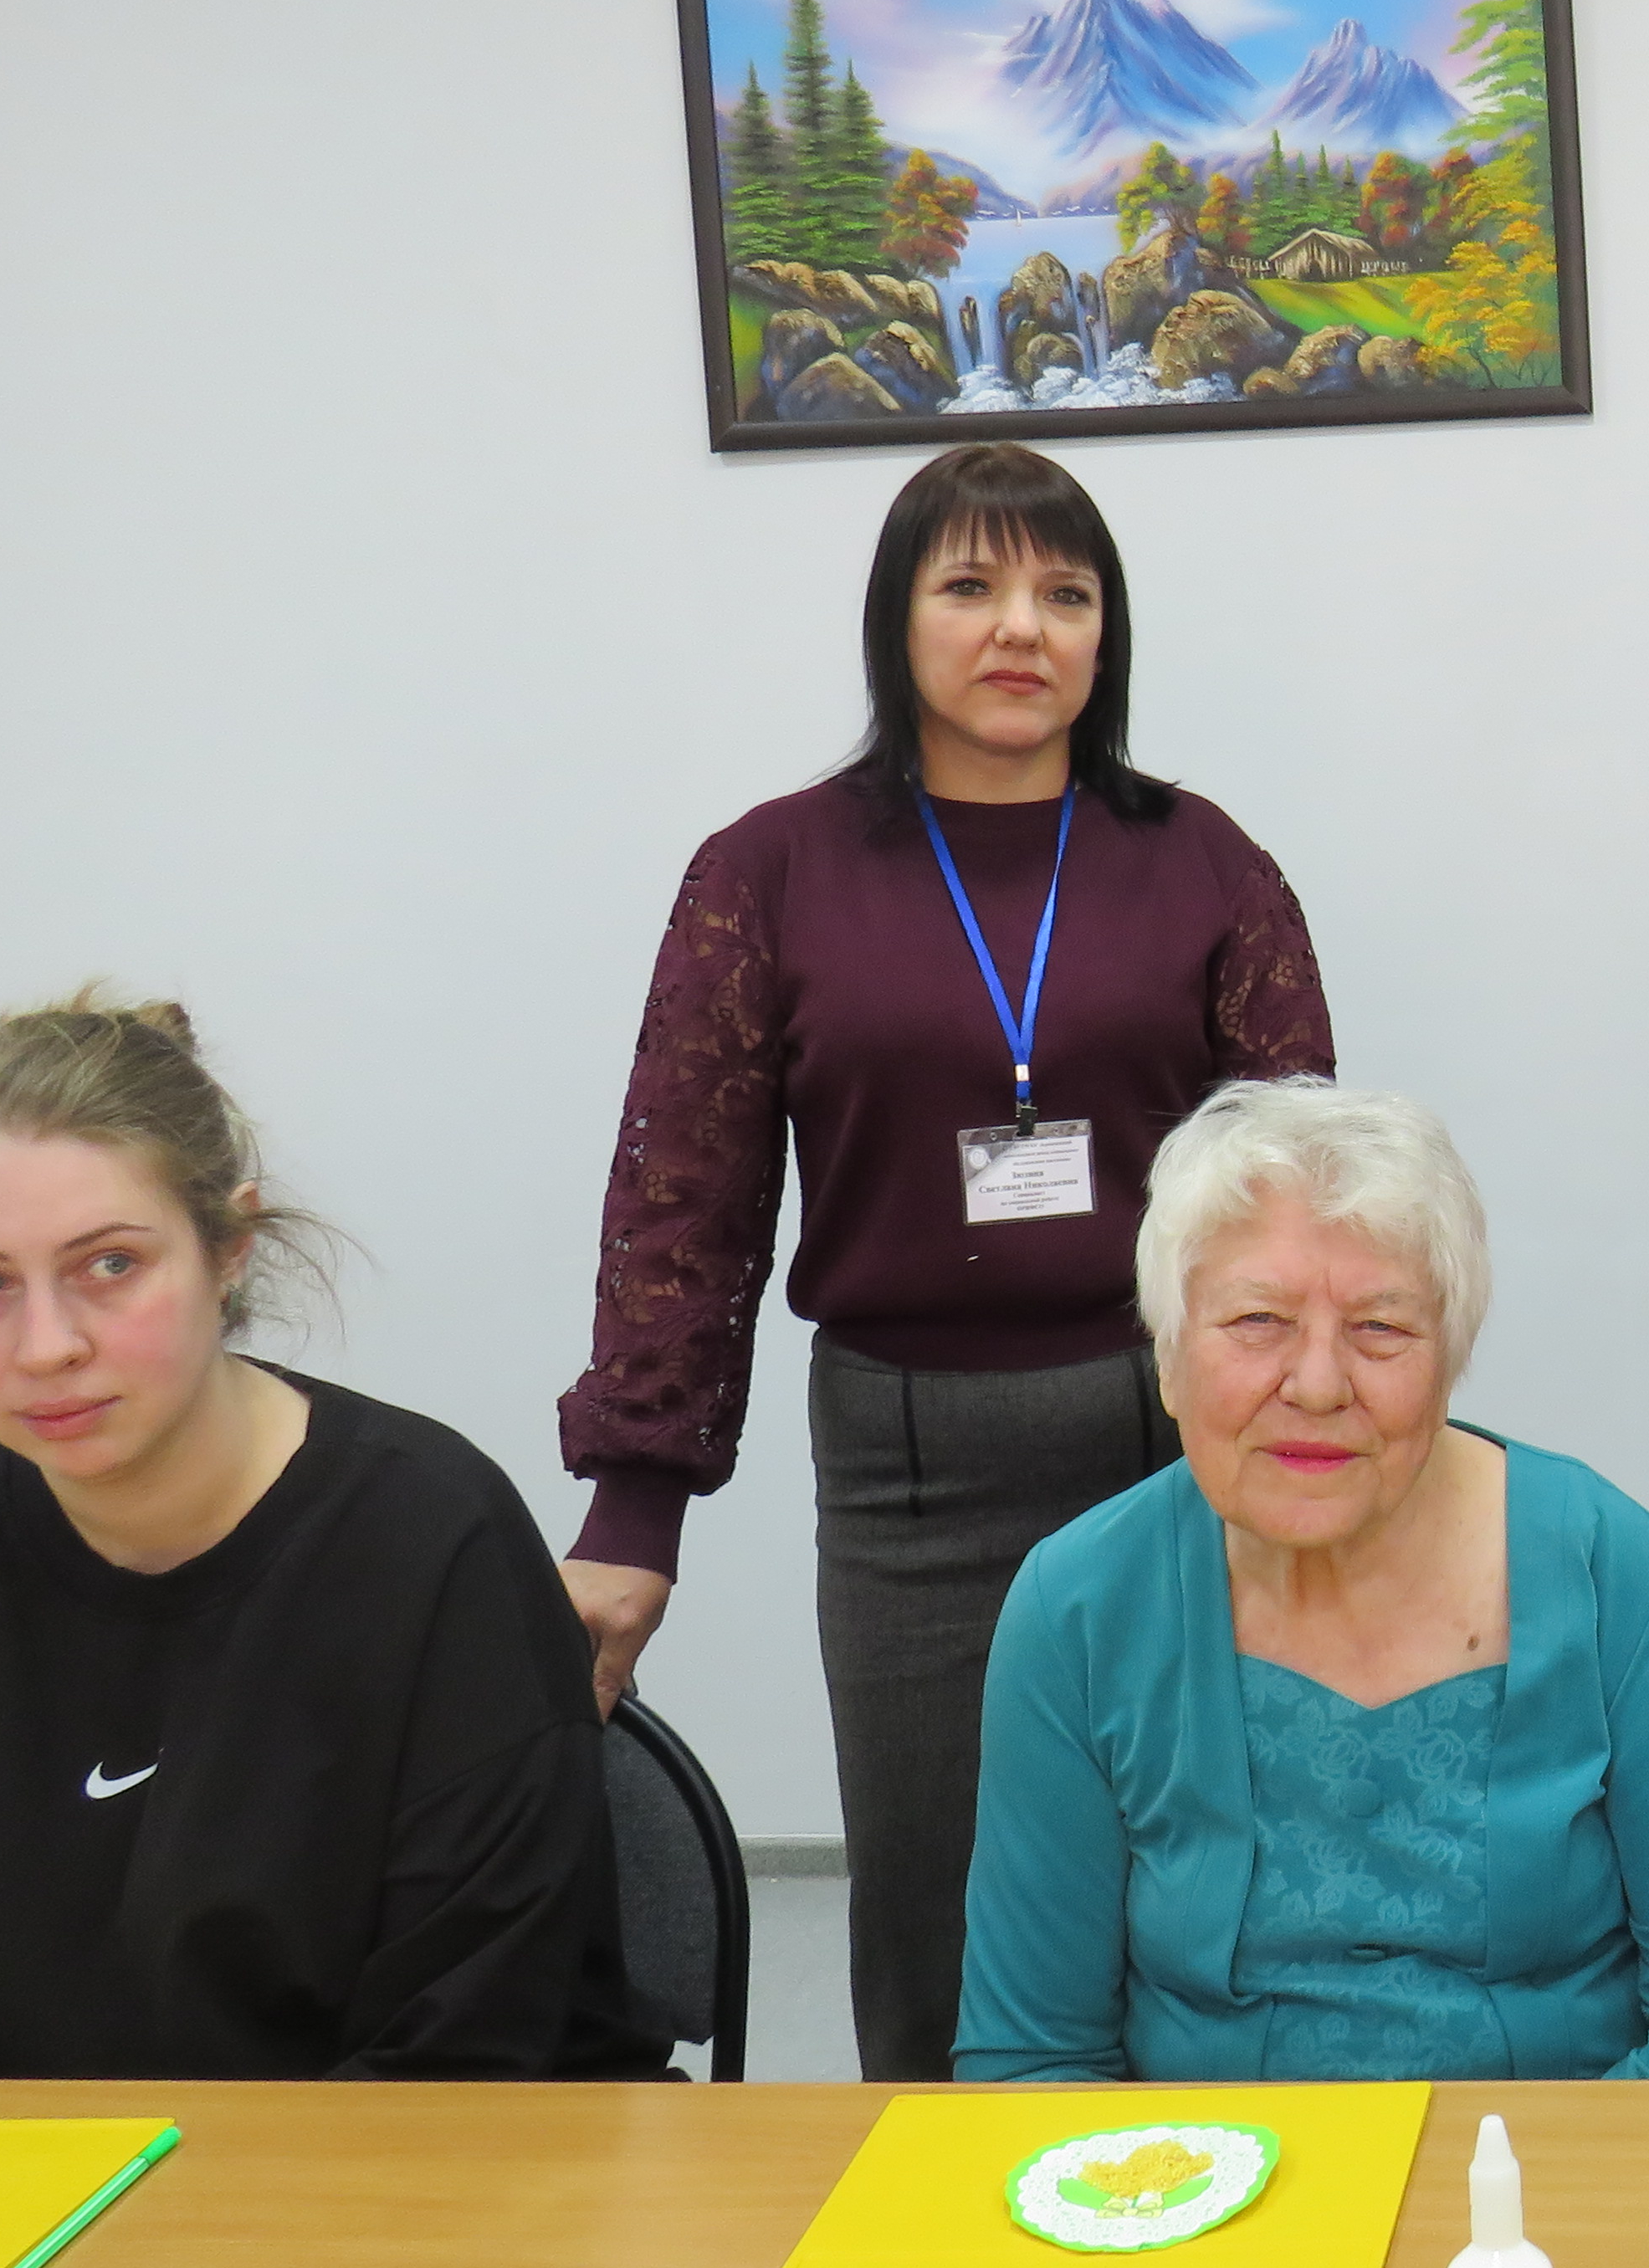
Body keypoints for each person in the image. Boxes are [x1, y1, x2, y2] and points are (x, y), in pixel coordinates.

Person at [556, 442, 1333, 2081]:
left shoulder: (1203, 863)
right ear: (894, 622)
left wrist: (1319, 1457)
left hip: (1176, 1451)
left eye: (1066, 592)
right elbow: (684, 1200)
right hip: (907, 1474)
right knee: (942, 1928)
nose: (1021, 627)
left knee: (1212, 1898)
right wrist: (636, 1509)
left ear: (1109, 634)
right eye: (970, 585)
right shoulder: (768, 874)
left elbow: (1299, 1183)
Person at [0, 996, 653, 2081]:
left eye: (110, 1265)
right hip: (13, 2187)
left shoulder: (434, 1547)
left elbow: (462, 2066)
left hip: (402, 2174)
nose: (47, 1346)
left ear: (229, 1246)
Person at [959, 1082, 1649, 2082]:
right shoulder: (1080, 1607)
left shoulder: (1612, 1572)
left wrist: (1512, 2183)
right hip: (1205, 2177)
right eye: (1258, 1320)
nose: (1318, 1385)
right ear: (1169, 1362)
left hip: (1553, 2173)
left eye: (1381, 1329)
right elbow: (1030, 2060)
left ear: (1449, 1361)